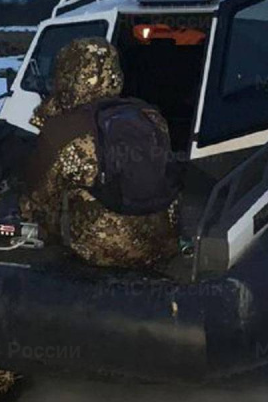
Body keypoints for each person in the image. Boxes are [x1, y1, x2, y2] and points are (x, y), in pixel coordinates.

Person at [19, 37, 179, 268]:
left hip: (106, 250)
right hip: (164, 239)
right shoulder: (148, 114)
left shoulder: (63, 129)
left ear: (67, 74)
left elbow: (41, 197)